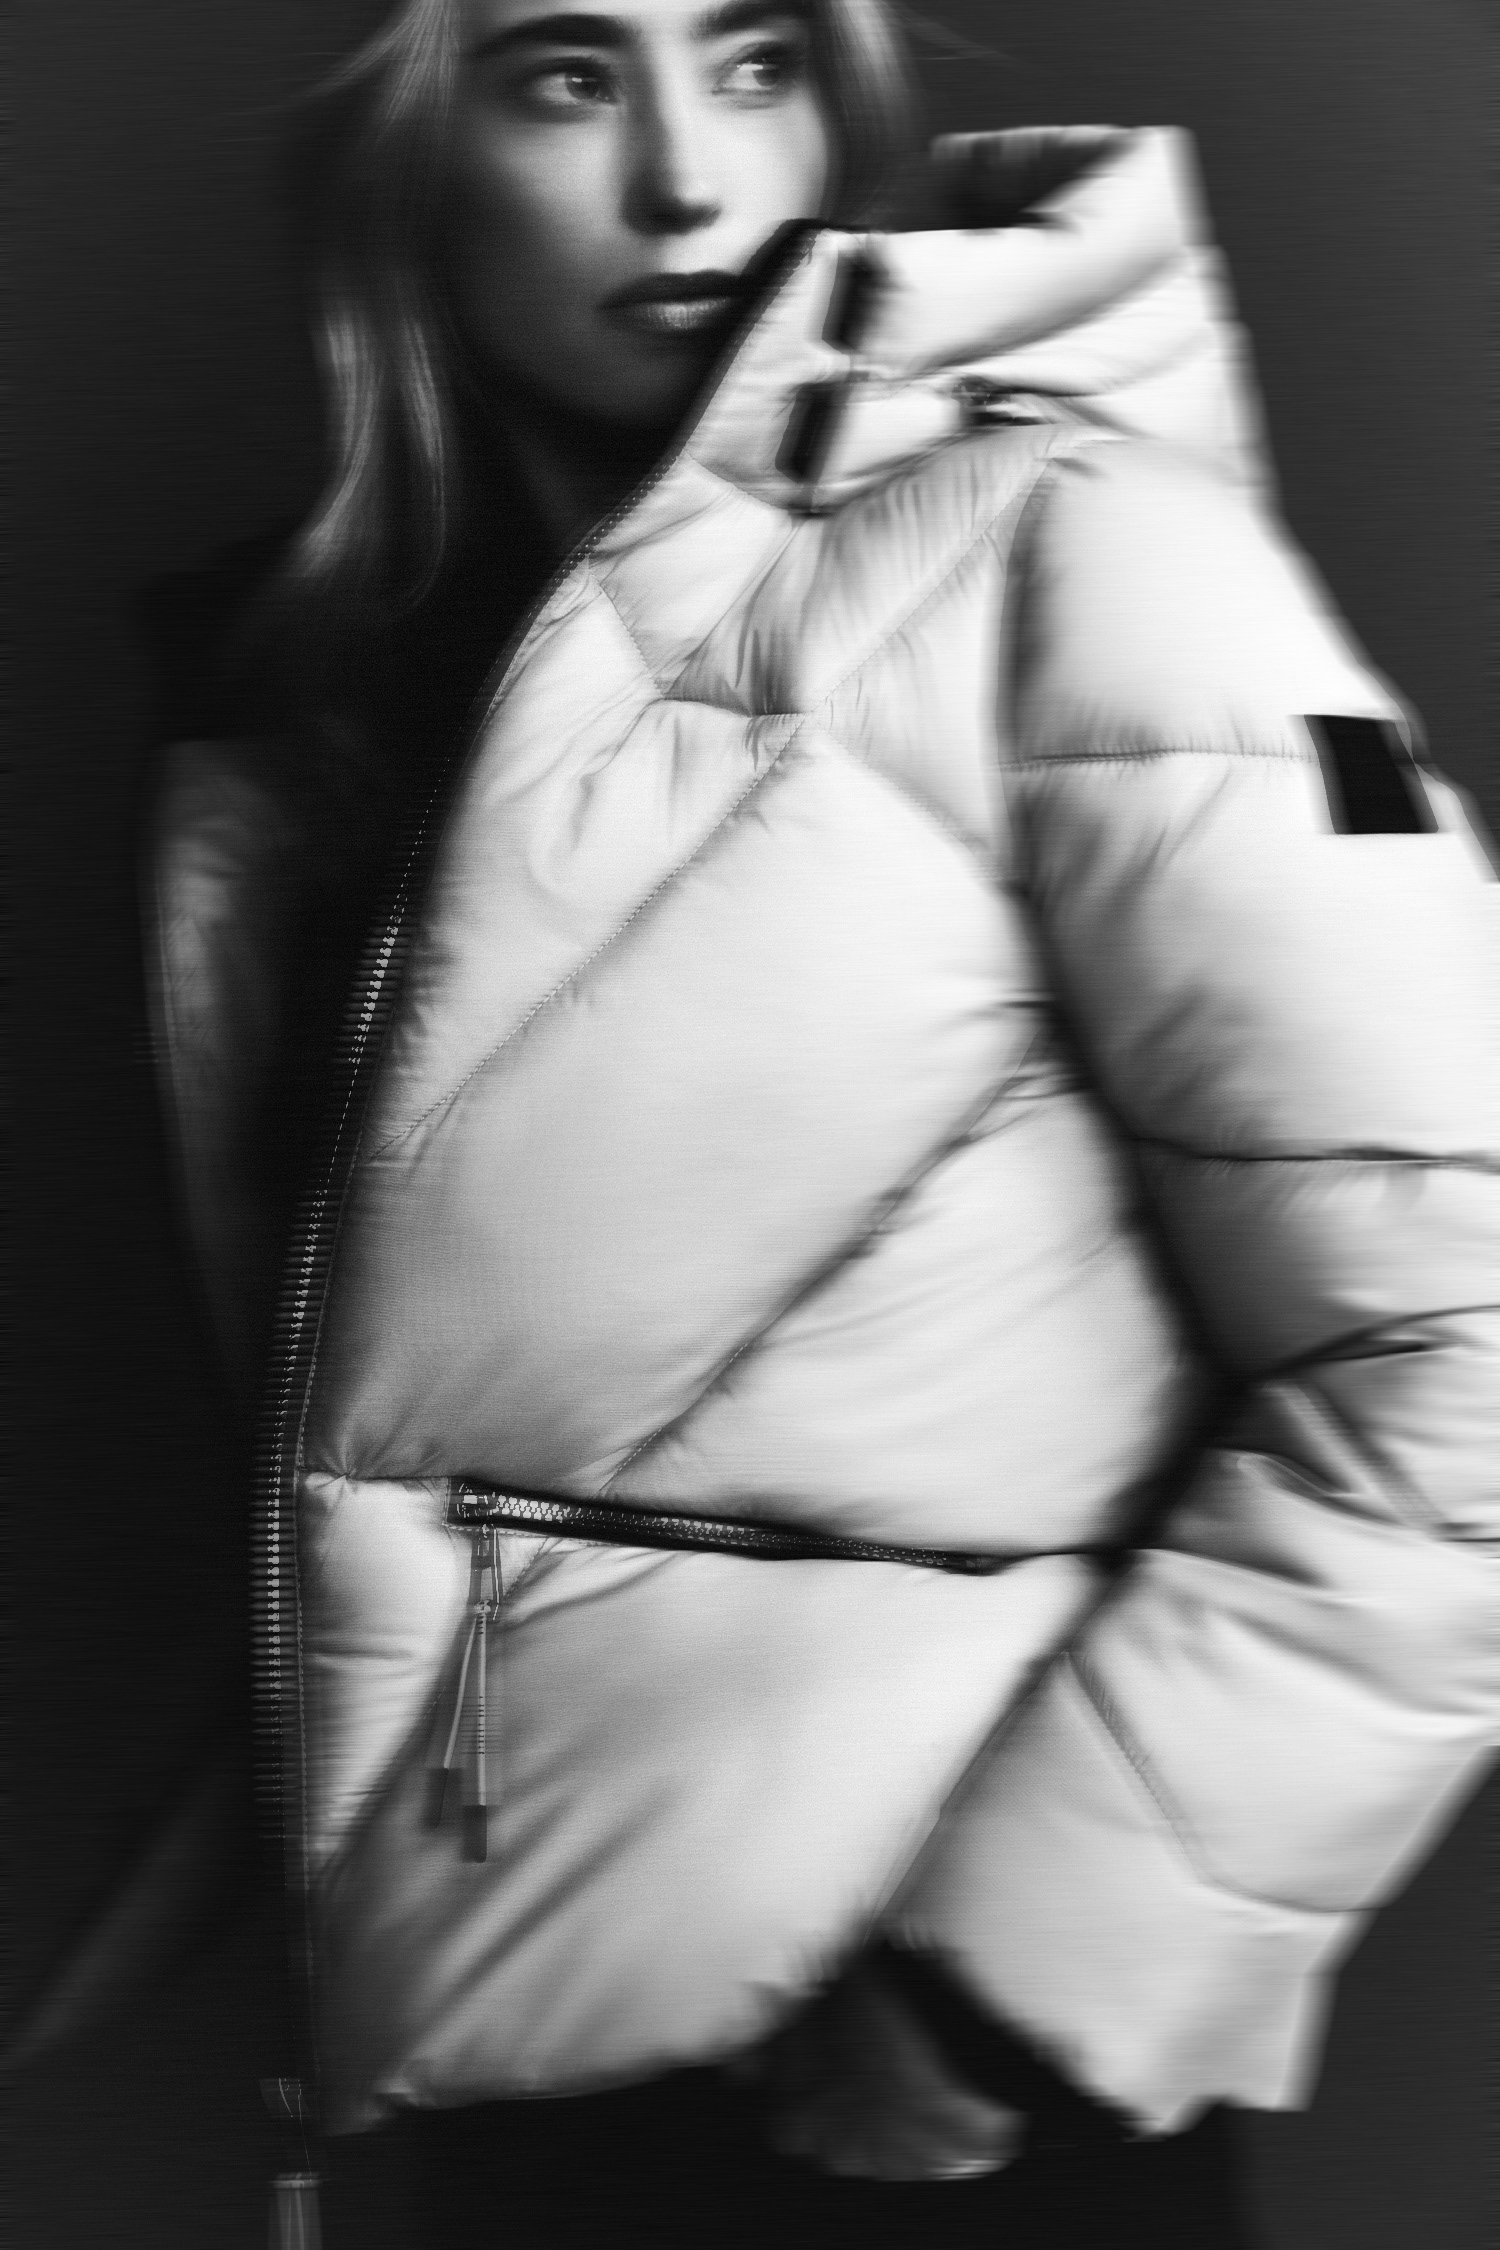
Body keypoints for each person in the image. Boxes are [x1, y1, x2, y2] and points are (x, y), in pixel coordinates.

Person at [144, 2, 1499, 2244]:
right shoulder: (323, 711)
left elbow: (1462, 1339)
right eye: (568, 75)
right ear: (411, 158)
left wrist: (1002, 1999)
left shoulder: (1082, 555)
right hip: (482, 2064)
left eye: (755, 62)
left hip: (913, 2111)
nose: (686, 176)